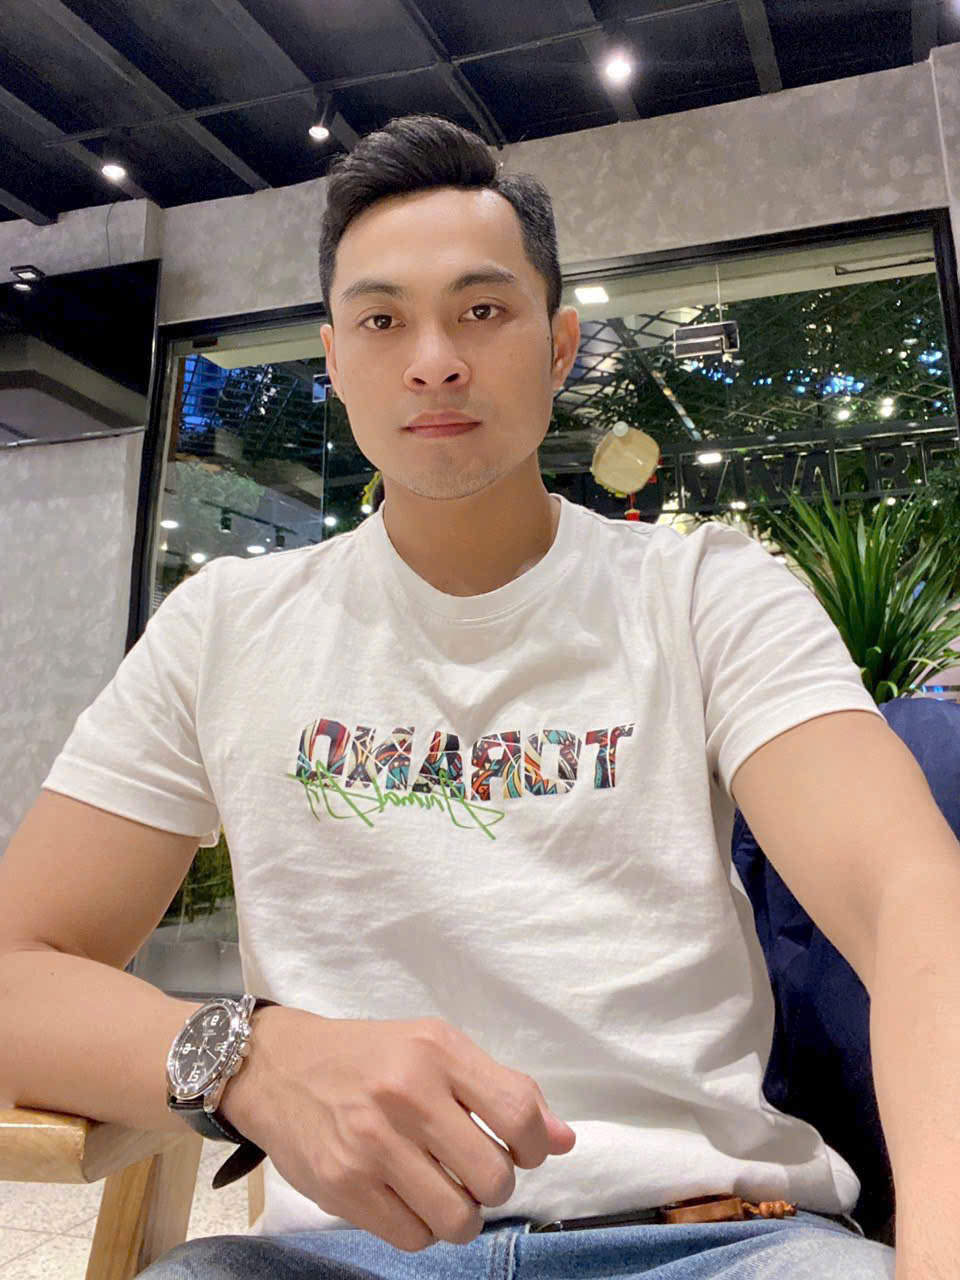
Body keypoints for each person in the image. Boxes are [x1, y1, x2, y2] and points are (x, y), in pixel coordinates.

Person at [0, 114, 906, 1279]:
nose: (433, 359)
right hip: (338, 1256)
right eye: (383, 320)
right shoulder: (224, 626)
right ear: (335, 360)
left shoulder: (702, 592)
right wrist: (248, 1058)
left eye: (482, 310)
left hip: (717, 1238)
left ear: (560, 345)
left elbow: (911, 905)